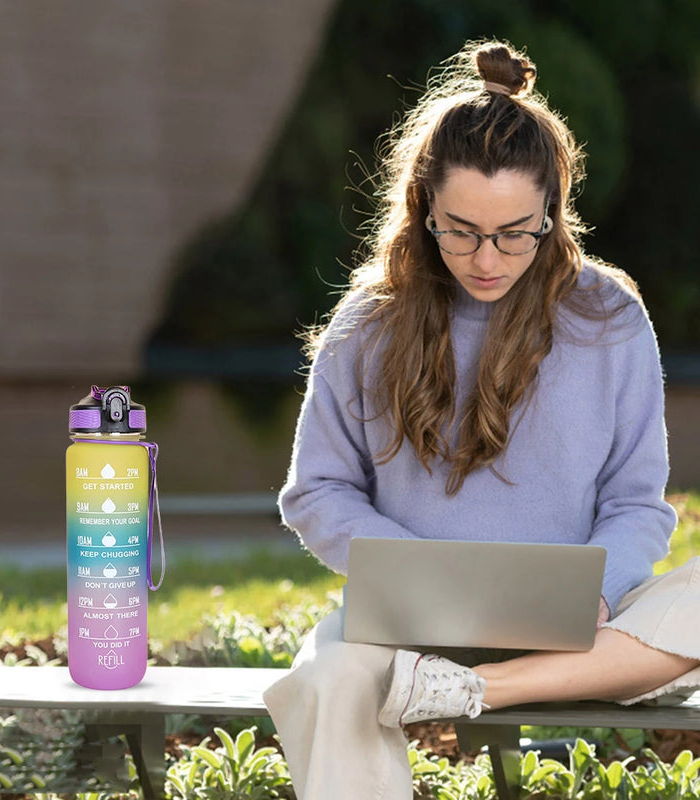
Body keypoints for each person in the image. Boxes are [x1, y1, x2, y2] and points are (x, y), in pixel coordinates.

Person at [262, 39, 700, 800]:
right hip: (405, 631)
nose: (487, 259)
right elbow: (317, 491)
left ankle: (477, 690)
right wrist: (420, 577)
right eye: (460, 230)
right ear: (422, 209)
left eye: (514, 233)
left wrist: (596, 595)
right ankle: (438, 679)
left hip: (579, 629)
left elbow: (636, 504)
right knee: (330, 677)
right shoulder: (368, 322)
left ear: (552, 215)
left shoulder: (609, 317)